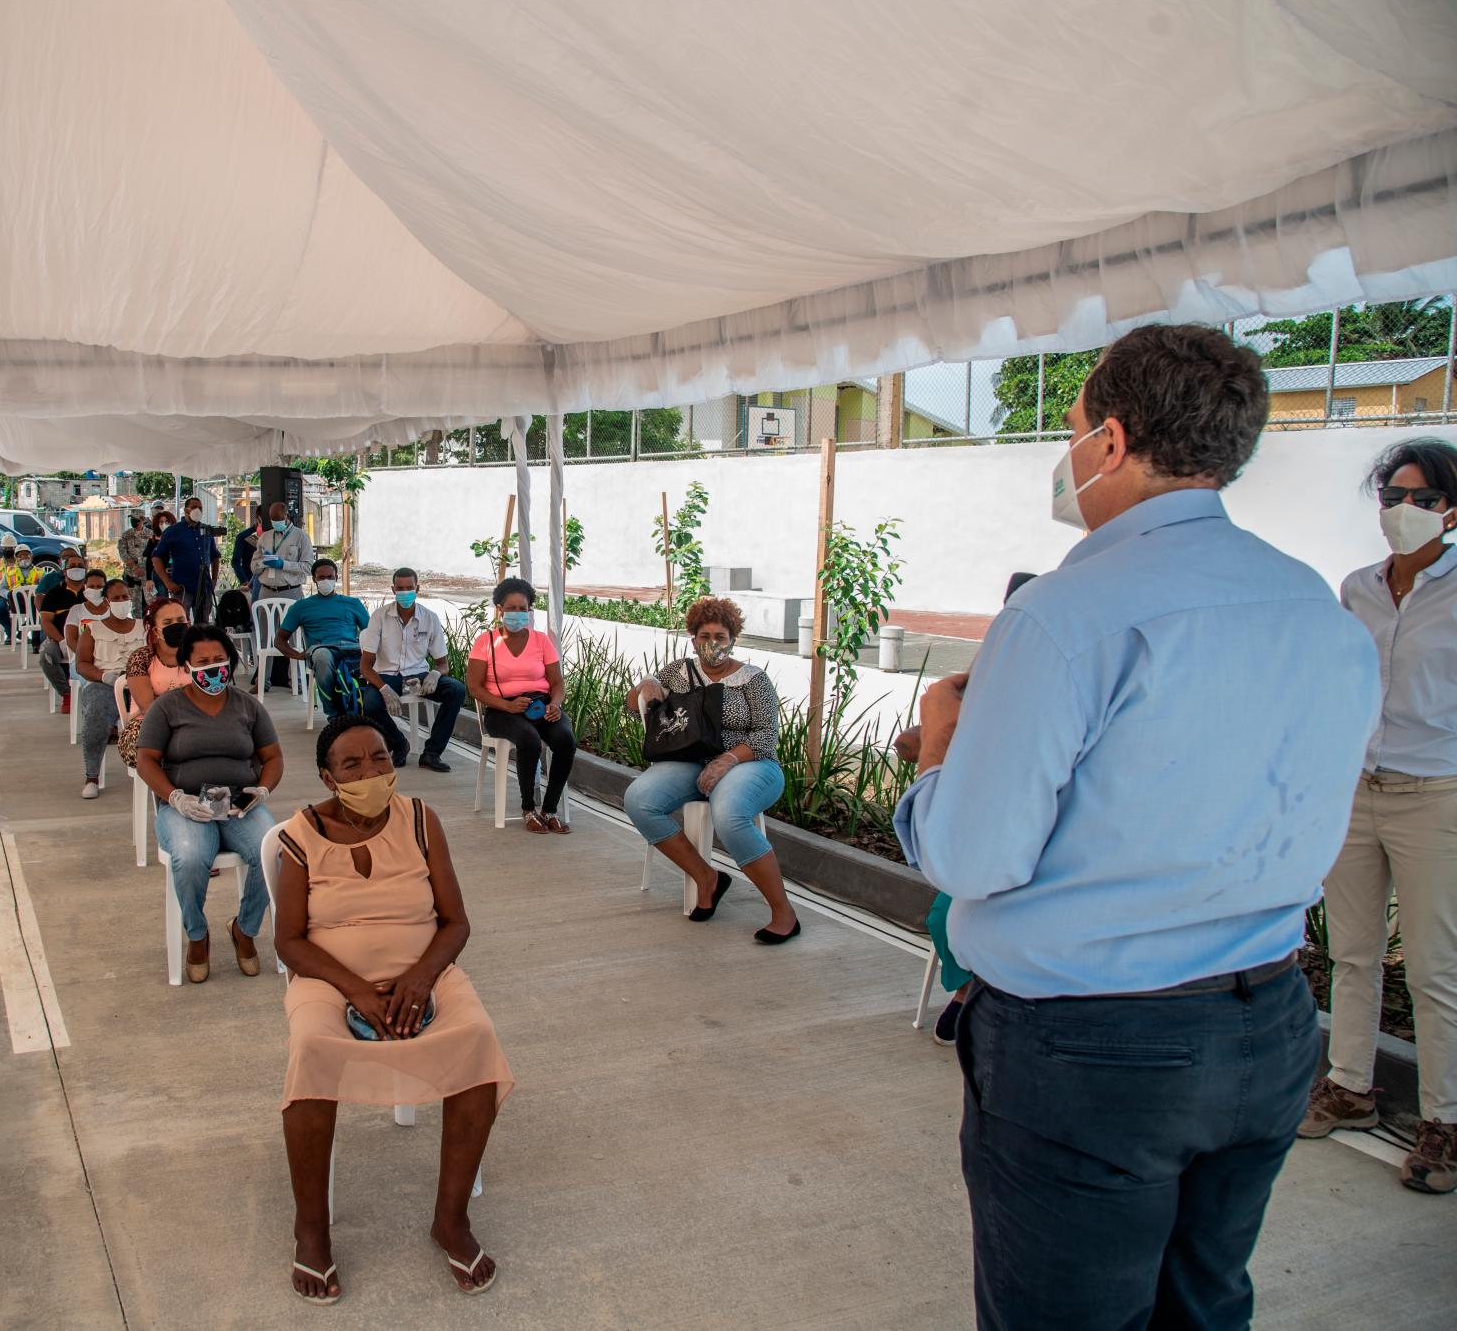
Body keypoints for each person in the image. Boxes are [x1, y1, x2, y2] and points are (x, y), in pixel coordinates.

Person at [891, 324, 1377, 1330]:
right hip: (1267, 1021)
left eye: (1070, 433)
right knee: (1201, 1304)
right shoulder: (1313, 603)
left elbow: (971, 855)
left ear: (1108, 442)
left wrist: (938, 744)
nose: (1066, 457)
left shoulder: (1067, 614)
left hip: (1094, 1044)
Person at [276, 714, 512, 1303]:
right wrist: (354, 988)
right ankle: (311, 1231)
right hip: (330, 980)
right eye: (351, 764)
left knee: (478, 1039)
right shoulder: (298, 837)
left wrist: (422, 976)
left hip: (426, 969)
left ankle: (450, 1219)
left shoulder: (420, 820)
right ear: (328, 777)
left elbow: (456, 922)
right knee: (311, 1051)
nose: (370, 772)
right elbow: (289, 941)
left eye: (379, 758)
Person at [1300, 437, 1457, 1195]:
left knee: (1435, 967)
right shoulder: (1357, 588)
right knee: (1353, 952)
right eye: (1393, 496)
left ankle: (1445, 1122)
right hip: (1359, 789)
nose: (1403, 511)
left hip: (1438, 794)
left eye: (1422, 499)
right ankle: (1349, 1085)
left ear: (1451, 509)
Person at [624, 597, 799, 943]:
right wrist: (643, 686)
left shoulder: (753, 679)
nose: (712, 644)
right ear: (693, 639)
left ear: (733, 639)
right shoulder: (680, 671)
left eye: (720, 636)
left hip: (751, 762)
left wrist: (727, 760)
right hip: (692, 761)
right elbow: (633, 707)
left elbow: (766, 736)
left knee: (729, 813)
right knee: (639, 799)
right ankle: (707, 878)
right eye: (704, 636)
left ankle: (783, 911)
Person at [135, 625, 281, 983]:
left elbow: (273, 757)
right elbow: (146, 760)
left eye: (220, 659)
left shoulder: (248, 706)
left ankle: (245, 930)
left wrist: (260, 791)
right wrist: (174, 797)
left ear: (231, 661)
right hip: (186, 805)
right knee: (190, 857)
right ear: (186, 665)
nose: (213, 668)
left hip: (238, 804)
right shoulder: (167, 707)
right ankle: (197, 936)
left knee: (273, 851)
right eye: (202, 662)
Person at [465, 577, 574, 834]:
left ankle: (549, 810)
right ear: (500, 609)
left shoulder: (541, 641)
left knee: (565, 740)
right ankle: (528, 809)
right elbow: (475, 687)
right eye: (510, 608)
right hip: (502, 711)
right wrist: (507, 705)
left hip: (540, 706)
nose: (516, 613)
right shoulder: (486, 642)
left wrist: (555, 704)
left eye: (522, 608)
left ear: (530, 611)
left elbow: (557, 683)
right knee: (529, 739)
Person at [359, 568, 466, 773]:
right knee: (371, 704)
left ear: (418, 588)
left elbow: (443, 663)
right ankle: (399, 744)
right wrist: (383, 688)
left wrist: (435, 674)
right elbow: (365, 665)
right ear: (393, 589)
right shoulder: (379, 617)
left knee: (456, 690)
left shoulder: (429, 618)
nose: (405, 592)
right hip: (386, 675)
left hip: (419, 675)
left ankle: (431, 753)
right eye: (400, 588)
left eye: (409, 588)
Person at [73, 576, 142, 799]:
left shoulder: (144, 627)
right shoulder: (92, 630)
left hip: (139, 681)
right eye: (116, 598)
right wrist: (104, 676)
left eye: (125, 597)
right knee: (97, 711)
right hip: (105, 684)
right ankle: (91, 775)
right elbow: (82, 664)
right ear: (106, 602)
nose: (121, 601)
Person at [276, 559, 370, 720]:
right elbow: (280, 640)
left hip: (351, 648)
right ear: (314, 579)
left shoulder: (353, 603)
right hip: (322, 649)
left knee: (372, 659)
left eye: (330, 577)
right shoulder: (301, 607)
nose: (326, 581)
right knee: (322, 657)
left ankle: (367, 710)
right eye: (321, 577)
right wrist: (297, 654)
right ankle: (335, 716)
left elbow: (371, 633)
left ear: (336, 578)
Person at [119, 597, 195, 768]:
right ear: (155, 630)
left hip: (192, 721)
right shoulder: (142, 657)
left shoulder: (198, 655)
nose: (176, 625)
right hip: (148, 724)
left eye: (180, 620)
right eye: (167, 622)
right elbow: (147, 706)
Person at [150, 495, 222, 622]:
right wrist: (167, 582)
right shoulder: (173, 531)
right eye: (194, 507)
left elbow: (215, 556)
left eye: (200, 508)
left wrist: (214, 578)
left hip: (204, 586)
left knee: (203, 624)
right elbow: (156, 557)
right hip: (182, 587)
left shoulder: (206, 530)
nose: (198, 510)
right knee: (181, 622)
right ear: (186, 510)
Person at [36, 553, 89, 712]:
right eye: (72, 566)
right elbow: (46, 621)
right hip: (59, 639)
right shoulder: (54, 593)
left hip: (88, 640)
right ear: (64, 571)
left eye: (80, 566)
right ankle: (67, 693)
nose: (77, 569)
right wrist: (61, 641)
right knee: (46, 654)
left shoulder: (92, 592)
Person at [251, 501, 314, 602]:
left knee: (290, 618)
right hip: (266, 592)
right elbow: (254, 568)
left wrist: (283, 564)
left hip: (290, 591)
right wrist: (262, 563)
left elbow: (308, 567)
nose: (276, 523)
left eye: (279, 519)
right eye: (273, 520)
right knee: (264, 618)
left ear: (287, 516)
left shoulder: (301, 536)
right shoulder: (264, 537)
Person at [61, 565, 110, 670]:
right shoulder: (76, 610)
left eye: (99, 587)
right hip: (81, 662)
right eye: (91, 586)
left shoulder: (113, 611)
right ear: (85, 587)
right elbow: (71, 640)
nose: (95, 590)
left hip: (109, 661)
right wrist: (87, 658)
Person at [120, 512, 155, 615]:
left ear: (142, 519)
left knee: (151, 603)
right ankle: (137, 628)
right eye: (132, 519)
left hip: (147, 575)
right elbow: (123, 552)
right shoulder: (126, 535)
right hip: (132, 574)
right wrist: (135, 567)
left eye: (136, 519)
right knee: (136, 606)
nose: (133, 521)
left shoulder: (150, 534)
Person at [0, 533, 21, 642]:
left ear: (15, 548)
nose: (8, 550)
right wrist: (3, 594)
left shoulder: (22, 564)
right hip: (3, 596)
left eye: (11, 548)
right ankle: (10, 632)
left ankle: (22, 632)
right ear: (1, 548)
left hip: (20, 596)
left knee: (35, 609)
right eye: (6, 548)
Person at [232, 512, 263, 601]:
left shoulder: (274, 535)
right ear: (258, 518)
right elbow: (235, 561)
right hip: (250, 582)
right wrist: (244, 580)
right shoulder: (244, 536)